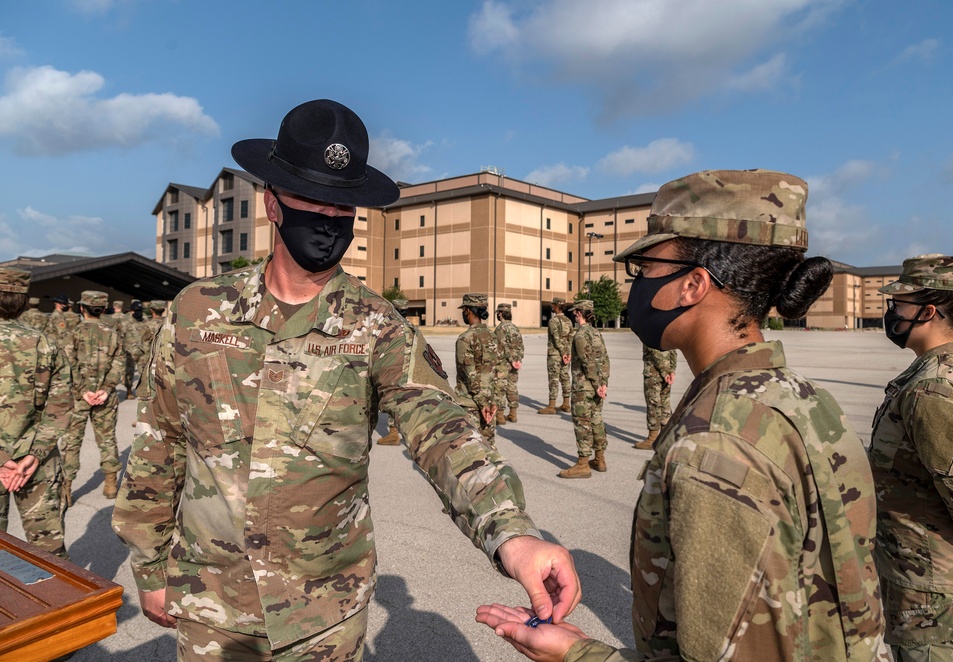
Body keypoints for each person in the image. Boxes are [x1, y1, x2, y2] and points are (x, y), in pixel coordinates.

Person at [112, 99, 579, 661]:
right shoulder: (195, 311)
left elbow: (442, 428)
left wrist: (512, 531)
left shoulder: (377, 326)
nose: (330, 222)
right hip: (213, 604)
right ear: (272, 203)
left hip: (323, 614)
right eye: (314, 200)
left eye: (345, 209)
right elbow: (158, 445)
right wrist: (149, 561)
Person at [478, 169, 888, 661]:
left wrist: (575, 653)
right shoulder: (804, 398)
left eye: (646, 268)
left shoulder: (714, 445)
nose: (638, 286)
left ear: (693, 284)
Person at [869, 254, 953, 661]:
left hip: (936, 590)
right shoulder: (951, 369)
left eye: (898, 304)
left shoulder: (934, 388)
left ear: (928, 311)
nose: (891, 312)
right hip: (928, 577)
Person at [0, 267, 72, 558]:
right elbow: (60, 406)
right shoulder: (46, 344)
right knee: (49, 553)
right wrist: (34, 454)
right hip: (37, 460)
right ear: (23, 301)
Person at [62, 290, 124, 504]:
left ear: (82, 308)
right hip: (105, 397)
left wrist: (82, 391)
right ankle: (110, 485)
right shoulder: (112, 332)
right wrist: (105, 388)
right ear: (103, 309)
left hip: (79, 397)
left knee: (72, 442)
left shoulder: (74, 332)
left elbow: (67, 365)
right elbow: (120, 362)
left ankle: (66, 489)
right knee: (107, 439)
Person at [557, 300, 609, 479]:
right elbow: (605, 360)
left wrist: (596, 384)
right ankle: (600, 459)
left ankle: (583, 464)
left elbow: (587, 363)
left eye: (575, 312)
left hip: (583, 388)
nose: (573, 315)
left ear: (579, 313)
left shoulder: (580, 335)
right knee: (596, 420)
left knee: (582, 424)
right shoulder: (596, 333)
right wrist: (603, 384)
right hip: (597, 387)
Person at [455, 293, 500, 444]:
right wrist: (494, 403)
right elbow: (498, 372)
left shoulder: (465, 339)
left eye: (464, 310)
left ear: (468, 310)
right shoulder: (492, 337)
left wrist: (483, 405)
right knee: (489, 450)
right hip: (489, 403)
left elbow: (471, 376)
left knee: (471, 452)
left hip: (471, 405)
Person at [376, 297, 409, 446]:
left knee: (393, 399)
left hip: (394, 369)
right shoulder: (410, 327)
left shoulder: (391, 327)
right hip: (409, 370)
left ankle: (393, 434)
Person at [634, 345, 676, 450]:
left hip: (654, 373)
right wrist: (672, 370)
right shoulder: (667, 329)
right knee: (665, 402)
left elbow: (654, 351)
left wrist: (664, 371)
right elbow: (673, 350)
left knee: (653, 405)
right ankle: (665, 437)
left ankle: (652, 439)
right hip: (667, 373)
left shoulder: (650, 330)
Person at [538, 297, 572, 414]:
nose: (552, 307)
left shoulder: (553, 321)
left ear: (557, 306)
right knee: (565, 378)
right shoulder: (569, 321)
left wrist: (563, 353)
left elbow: (556, 339)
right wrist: (568, 353)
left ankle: (551, 406)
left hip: (555, 355)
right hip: (566, 355)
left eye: (553, 305)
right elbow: (571, 338)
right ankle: (566, 404)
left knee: (553, 379)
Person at [494, 302, 524, 424]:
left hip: (503, 363)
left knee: (499, 388)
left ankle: (500, 416)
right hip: (514, 364)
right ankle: (513, 413)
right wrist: (518, 360)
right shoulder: (515, 328)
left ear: (500, 314)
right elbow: (521, 346)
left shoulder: (500, 329)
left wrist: (511, 359)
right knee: (512, 387)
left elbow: (502, 347)